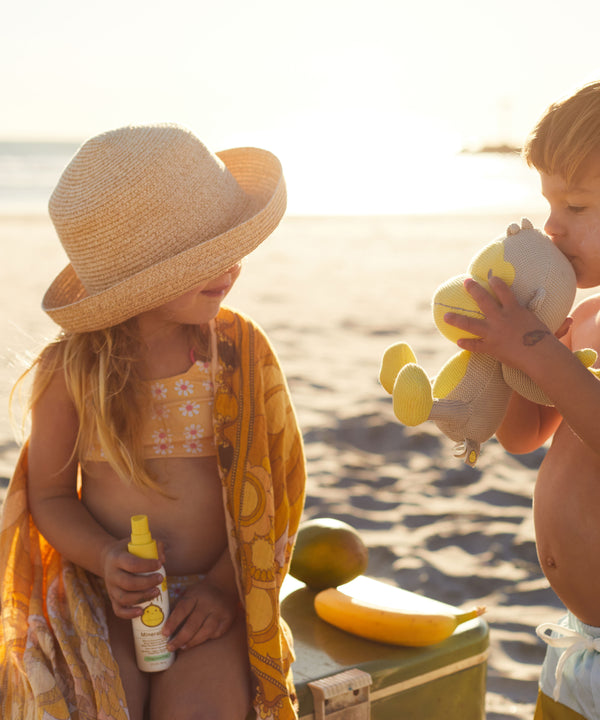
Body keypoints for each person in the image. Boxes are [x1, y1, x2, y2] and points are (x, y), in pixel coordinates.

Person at [0, 123, 306, 720]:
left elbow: (281, 481)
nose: (232, 265)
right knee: (95, 700)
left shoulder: (238, 352)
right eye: (204, 256)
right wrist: (106, 558)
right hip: (106, 595)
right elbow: (52, 495)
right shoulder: (71, 371)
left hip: (216, 592)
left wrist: (223, 585)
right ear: (135, 277)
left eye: (230, 244)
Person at [443, 81, 600, 720]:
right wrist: (504, 353)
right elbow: (524, 435)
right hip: (579, 640)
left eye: (579, 204)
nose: (554, 224)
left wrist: (536, 347)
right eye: (548, 203)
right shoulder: (585, 316)